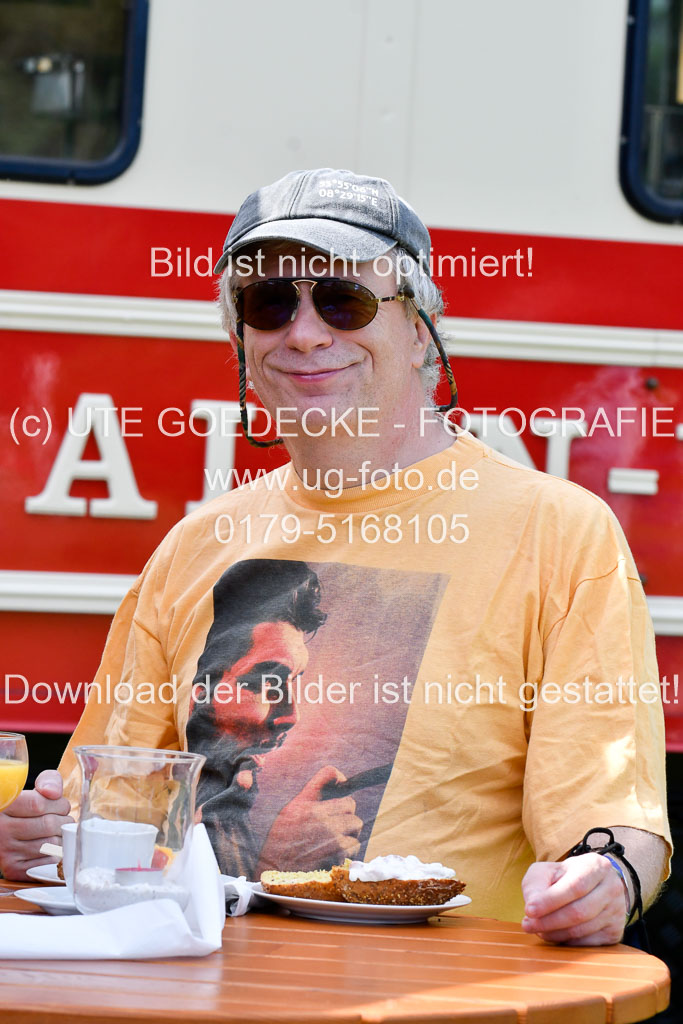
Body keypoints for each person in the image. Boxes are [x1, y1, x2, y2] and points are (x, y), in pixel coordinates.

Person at [0, 168, 671, 946]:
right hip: (198, 988)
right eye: (269, 304)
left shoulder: (560, 532)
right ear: (241, 341)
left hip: (446, 997)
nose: (305, 334)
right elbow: (104, 817)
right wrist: (34, 840)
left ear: (419, 330)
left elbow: (612, 811)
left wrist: (604, 878)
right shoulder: (193, 547)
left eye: (343, 301)